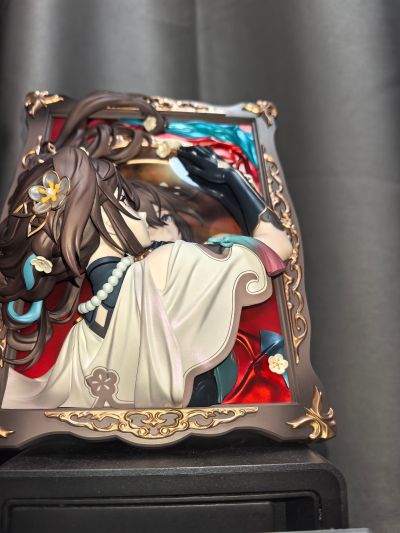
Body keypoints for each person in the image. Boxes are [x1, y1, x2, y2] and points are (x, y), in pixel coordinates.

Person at [0, 93, 292, 410]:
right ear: (105, 221)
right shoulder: (170, 262)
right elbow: (278, 247)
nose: (140, 214)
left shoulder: (79, 341)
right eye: (126, 201)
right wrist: (232, 180)